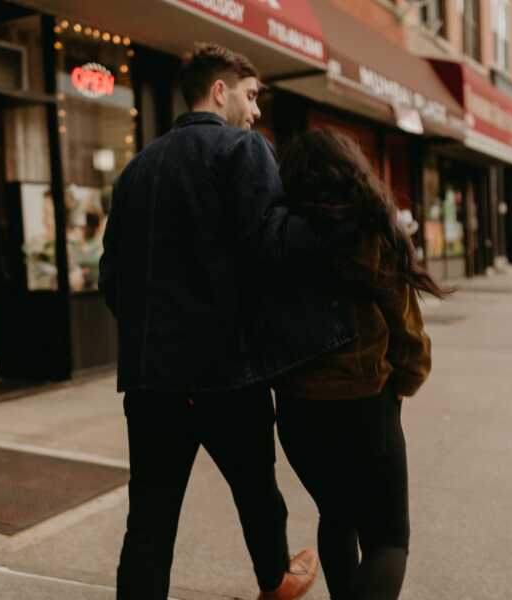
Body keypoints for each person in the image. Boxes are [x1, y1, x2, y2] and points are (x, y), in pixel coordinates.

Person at [99, 44, 356, 600]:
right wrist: (343, 226)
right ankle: (275, 585)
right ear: (220, 90)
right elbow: (273, 245)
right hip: (226, 373)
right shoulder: (243, 149)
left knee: (149, 514)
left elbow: (110, 278)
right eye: (250, 95)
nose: (256, 110)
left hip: (149, 380)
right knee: (258, 494)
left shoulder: (136, 170)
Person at [272, 129, 451, 600]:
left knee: (336, 515)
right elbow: (408, 330)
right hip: (365, 407)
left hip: (297, 413)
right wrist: (403, 384)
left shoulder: (274, 236)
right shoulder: (371, 232)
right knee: (388, 538)